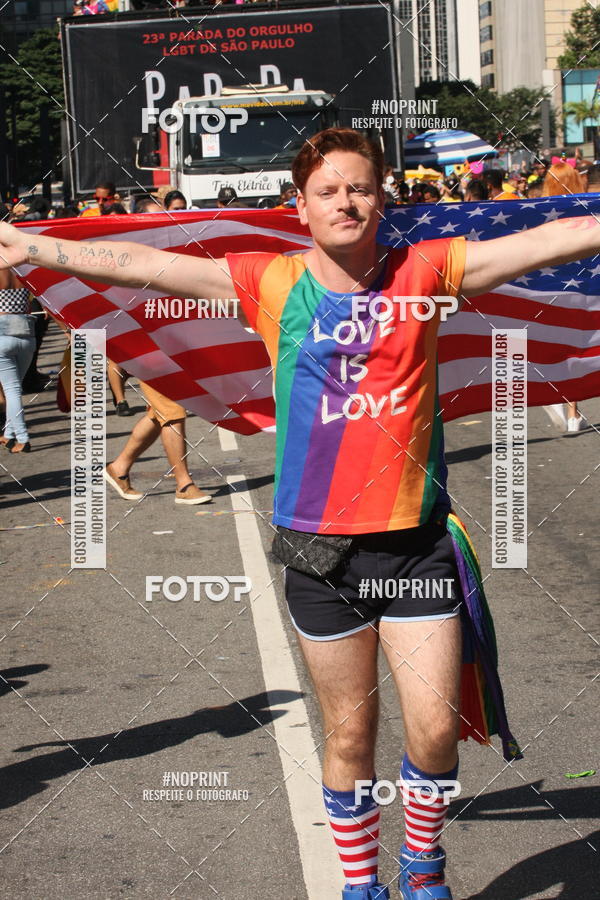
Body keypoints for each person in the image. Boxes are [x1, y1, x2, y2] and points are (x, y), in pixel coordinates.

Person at [2, 126, 600, 898]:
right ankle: (362, 886)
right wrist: (35, 249)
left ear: (384, 196)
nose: (346, 200)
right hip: (323, 558)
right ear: (303, 205)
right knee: (350, 734)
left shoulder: (429, 269)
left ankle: (422, 862)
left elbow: (549, 241)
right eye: (329, 190)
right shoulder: (272, 281)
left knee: (434, 729)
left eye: (360, 186)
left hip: (416, 549)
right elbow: (149, 264)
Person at [104, 382, 211, 505]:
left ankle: (119, 468)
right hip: (153, 364)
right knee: (172, 411)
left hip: (165, 365)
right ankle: (184, 485)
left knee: (158, 413)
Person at [540, 161, 588, 433]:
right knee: (577, 345)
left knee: (555, 342)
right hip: (582, 288)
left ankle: (556, 396)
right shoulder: (587, 210)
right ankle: (573, 411)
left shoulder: (541, 212)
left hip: (549, 287)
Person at [0, 268, 36, 452]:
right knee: (14, 389)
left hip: (1, 333)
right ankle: (8, 435)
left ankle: (23, 438)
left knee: (11, 390)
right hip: (27, 333)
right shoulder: (21, 268)